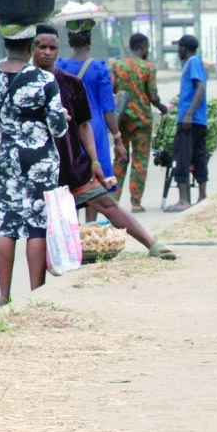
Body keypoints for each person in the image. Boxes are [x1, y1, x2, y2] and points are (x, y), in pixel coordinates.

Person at [34, 25, 176, 260]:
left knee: (105, 203)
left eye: (52, 47)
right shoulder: (25, 83)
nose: (48, 52)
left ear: (61, 48)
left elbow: (83, 125)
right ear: (32, 47)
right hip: (40, 167)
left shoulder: (70, 81)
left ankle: (152, 245)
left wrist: (95, 160)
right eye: (42, 47)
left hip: (72, 160)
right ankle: (62, 261)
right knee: (43, 223)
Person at [0, 20, 68, 308]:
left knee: (6, 225)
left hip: (6, 157)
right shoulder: (44, 80)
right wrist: (63, 117)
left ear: (7, 45)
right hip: (39, 159)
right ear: (31, 48)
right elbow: (58, 128)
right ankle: (36, 295)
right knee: (36, 226)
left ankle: (3, 297)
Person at [56, 20, 127, 222]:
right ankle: (91, 226)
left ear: (70, 42)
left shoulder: (61, 66)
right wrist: (118, 138)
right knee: (96, 180)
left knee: (71, 177)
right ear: (89, 42)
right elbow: (108, 108)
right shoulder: (100, 68)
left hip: (70, 126)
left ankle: (73, 228)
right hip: (94, 128)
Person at [110, 32, 168, 213]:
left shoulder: (117, 66)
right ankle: (135, 202)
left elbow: (111, 90)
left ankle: (113, 199)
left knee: (120, 159)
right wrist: (162, 107)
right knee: (140, 161)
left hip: (121, 121)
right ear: (143, 47)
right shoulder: (148, 67)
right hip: (142, 121)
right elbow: (152, 96)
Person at [165, 34, 208, 213]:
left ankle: (184, 200)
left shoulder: (192, 62)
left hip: (189, 120)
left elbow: (201, 87)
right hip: (197, 120)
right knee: (199, 156)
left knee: (182, 157)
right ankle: (202, 197)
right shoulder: (194, 63)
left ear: (183, 48)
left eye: (178, 48)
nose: (177, 52)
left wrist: (189, 113)